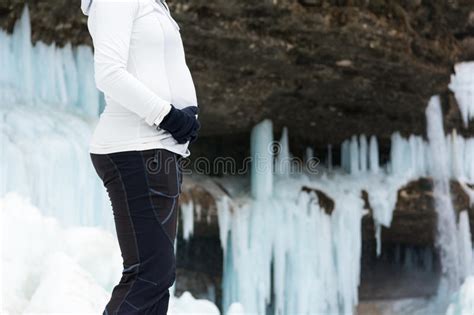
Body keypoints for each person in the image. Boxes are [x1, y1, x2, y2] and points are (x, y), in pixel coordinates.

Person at [81, 0, 200, 313]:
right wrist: (169, 116)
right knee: (148, 276)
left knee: (158, 277)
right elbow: (108, 74)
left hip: (158, 148)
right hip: (135, 147)